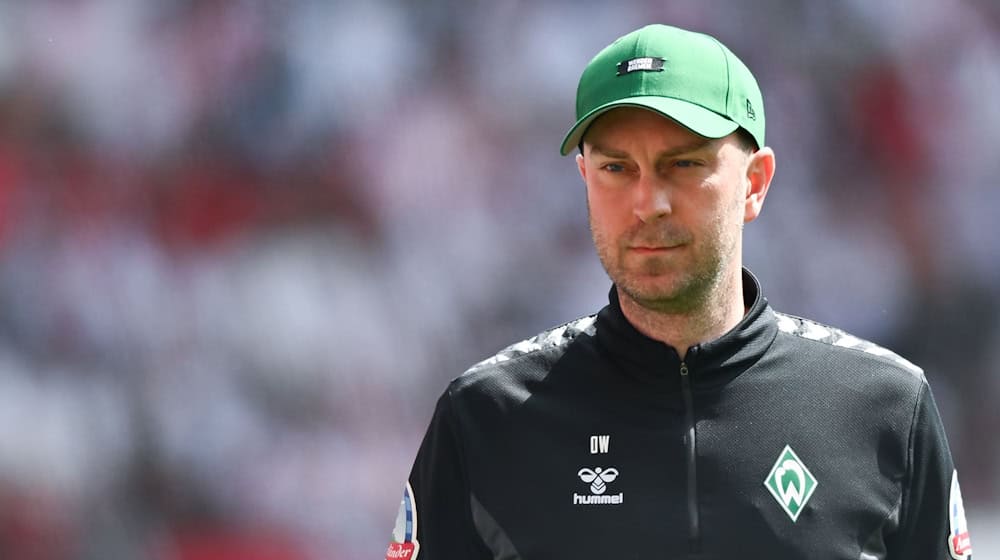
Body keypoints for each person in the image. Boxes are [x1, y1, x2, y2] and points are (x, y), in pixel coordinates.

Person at [385, 24, 973, 560]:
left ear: (755, 183)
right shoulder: (485, 417)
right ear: (585, 179)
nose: (648, 203)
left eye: (683, 165)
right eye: (618, 169)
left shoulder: (885, 408)